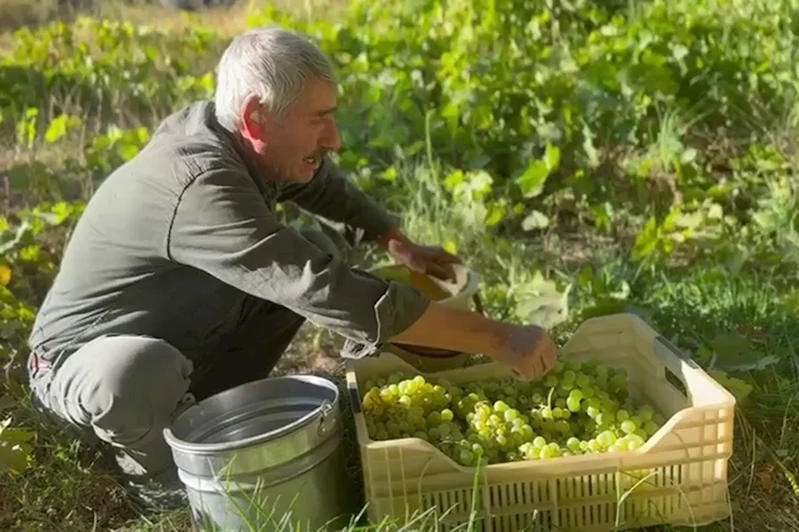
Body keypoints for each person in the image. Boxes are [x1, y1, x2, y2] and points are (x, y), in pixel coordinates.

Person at [25, 26, 558, 508]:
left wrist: (395, 241)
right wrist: (498, 338)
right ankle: (159, 477)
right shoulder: (198, 185)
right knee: (137, 372)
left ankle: (201, 410)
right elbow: (319, 287)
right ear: (257, 115)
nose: (335, 138)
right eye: (318, 120)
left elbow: (317, 180)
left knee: (297, 252)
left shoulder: (234, 133)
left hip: (176, 335)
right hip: (81, 364)